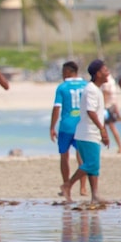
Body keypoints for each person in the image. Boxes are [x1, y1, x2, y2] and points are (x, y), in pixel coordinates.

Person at [61, 60, 110, 205]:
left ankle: (95, 195)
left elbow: (98, 113)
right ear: (98, 74)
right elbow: (90, 111)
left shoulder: (96, 89)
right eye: (105, 70)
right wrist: (102, 130)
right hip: (87, 133)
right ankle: (67, 185)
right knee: (91, 164)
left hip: (91, 133)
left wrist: (102, 131)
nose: (108, 73)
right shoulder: (91, 90)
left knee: (93, 167)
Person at [49, 61, 89, 197]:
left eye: (63, 72)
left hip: (66, 126)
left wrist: (52, 127)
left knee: (64, 157)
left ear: (68, 72)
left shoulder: (62, 87)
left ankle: (66, 185)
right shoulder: (86, 85)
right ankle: (83, 188)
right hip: (82, 125)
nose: (62, 75)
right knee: (81, 157)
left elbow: (56, 108)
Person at [100, 79, 121, 154]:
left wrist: (102, 107)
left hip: (107, 107)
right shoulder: (111, 80)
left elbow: (106, 93)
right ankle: (117, 147)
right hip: (111, 106)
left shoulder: (106, 80)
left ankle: (116, 147)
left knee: (104, 127)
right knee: (109, 128)